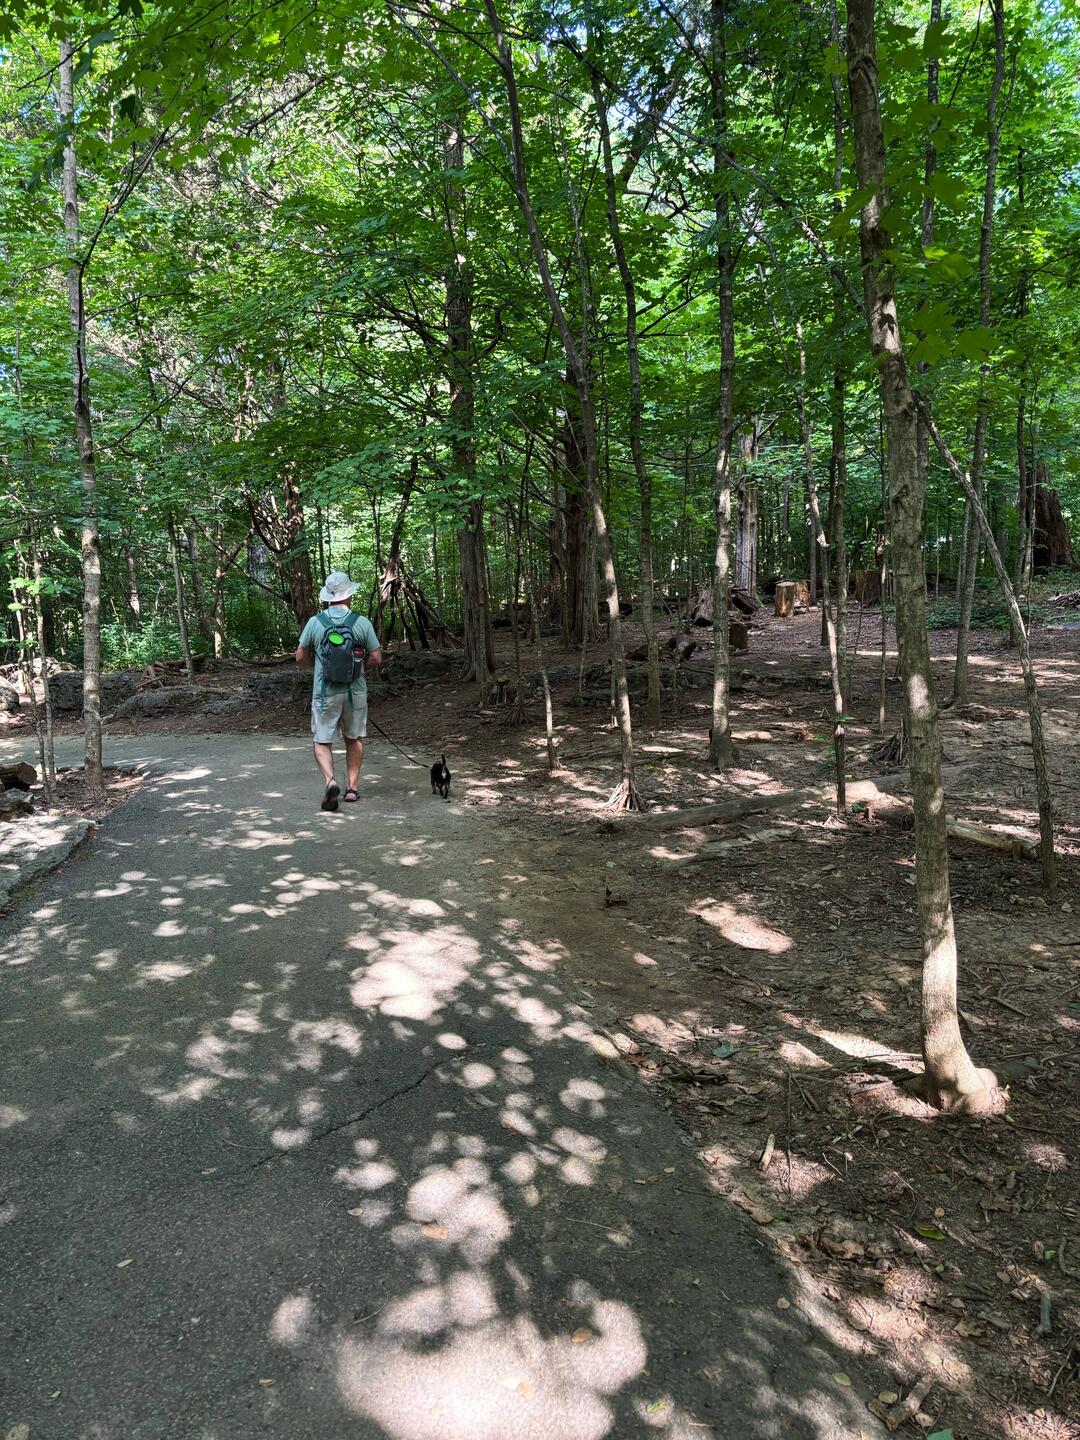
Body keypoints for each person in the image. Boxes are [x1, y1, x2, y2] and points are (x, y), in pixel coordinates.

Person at [295, 572, 382, 811]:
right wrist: (359, 669)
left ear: (328, 597)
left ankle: (330, 781)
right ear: (349, 595)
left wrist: (318, 667)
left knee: (322, 739)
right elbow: (376, 656)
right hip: (356, 692)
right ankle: (351, 789)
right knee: (353, 738)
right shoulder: (361, 622)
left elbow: (300, 656)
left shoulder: (316, 622)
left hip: (325, 692)